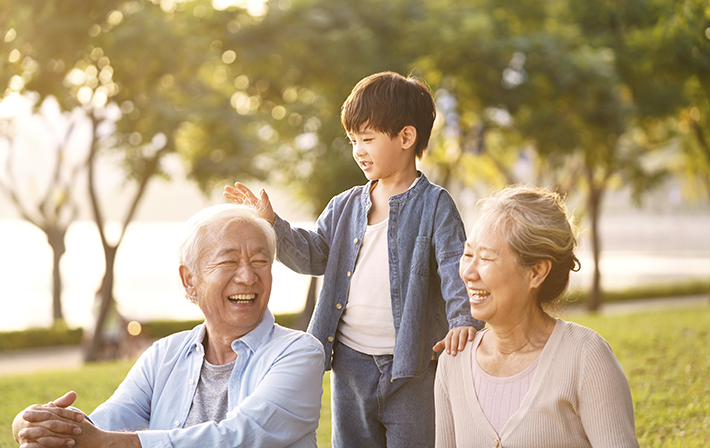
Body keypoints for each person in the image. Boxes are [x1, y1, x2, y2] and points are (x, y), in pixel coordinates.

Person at [224, 71, 483, 448]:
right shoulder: (344, 205)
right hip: (349, 364)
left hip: (411, 368)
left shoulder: (435, 204)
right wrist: (273, 224)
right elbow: (313, 256)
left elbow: (453, 266)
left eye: (367, 139)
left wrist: (463, 320)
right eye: (352, 140)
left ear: (406, 138)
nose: (358, 150)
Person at [13, 204, 325, 448]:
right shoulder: (163, 354)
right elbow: (103, 422)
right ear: (190, 280)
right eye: (229, 262)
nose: (247, 276)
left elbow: (240, 436)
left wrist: (106, 442)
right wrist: (34, 424)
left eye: (260, 262)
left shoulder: (299, 352)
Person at [434, 185, 639, 447]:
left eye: (485, 258)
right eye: (468, 254)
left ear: (536, 272)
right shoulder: (454, 360)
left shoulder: (586, 357)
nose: (468, 273)